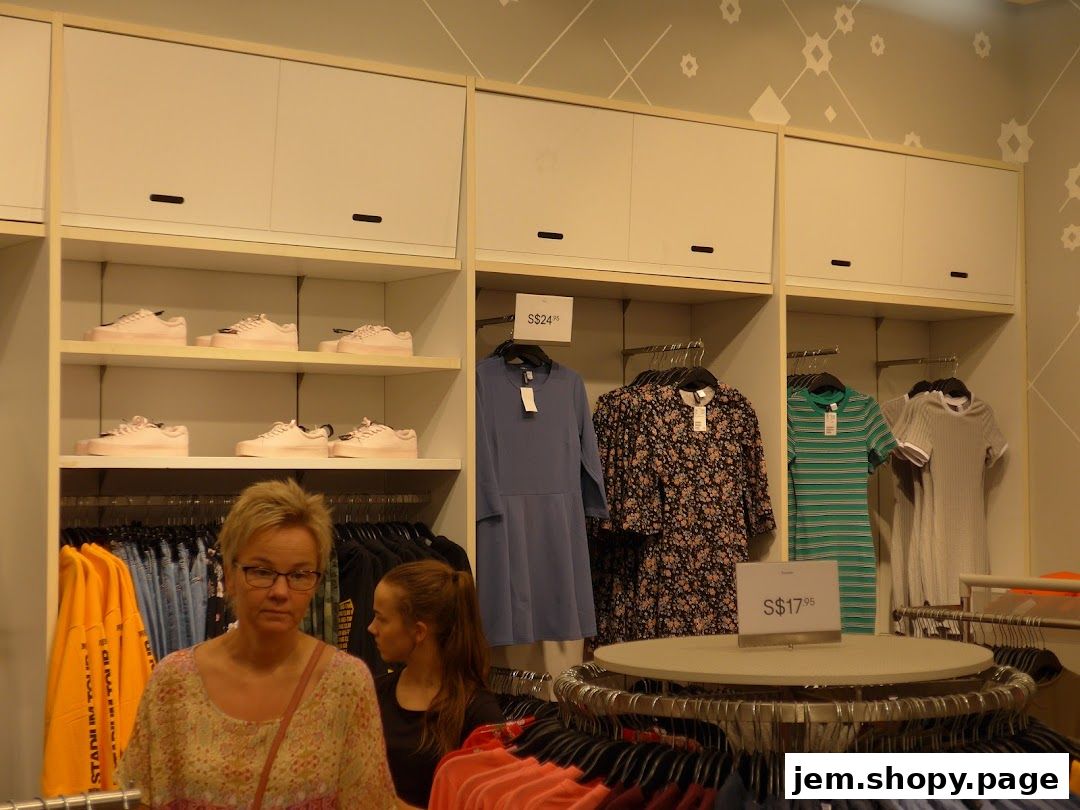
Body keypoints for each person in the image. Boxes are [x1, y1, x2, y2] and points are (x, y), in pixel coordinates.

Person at [117, 479, 397, 809]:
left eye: (299, 575)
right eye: (262, 571)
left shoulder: (346, 684)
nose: (280, 592)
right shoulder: (174, 683)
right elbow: (140, 798)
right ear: (230, 574)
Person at [368, 560, 505, 808]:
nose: (371, 628)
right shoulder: (374, 692)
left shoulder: (477, 713)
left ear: (419, 631)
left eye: (381, 619)